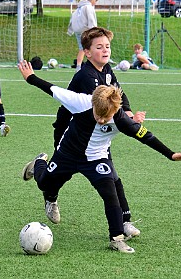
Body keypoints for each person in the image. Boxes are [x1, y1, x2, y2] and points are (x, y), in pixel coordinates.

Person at [17, 60, 181, 253]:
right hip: (67, 154)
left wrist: (171, 154)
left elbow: (147, 137)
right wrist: (30, 78)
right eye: (98, 115)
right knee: (44, 184)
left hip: (96, 159)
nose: (101, 120)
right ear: (93, 102)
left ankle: (116, 238)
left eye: (105, 117)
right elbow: (52, 89)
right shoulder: (81, 101)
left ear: (115, 110)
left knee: (110, 193)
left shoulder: (122, 120)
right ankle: (39, 163)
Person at [53, 26, 145, 238]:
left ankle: (124, 222)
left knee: (112, 178)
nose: (105, 50)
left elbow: (119, 94)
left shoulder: (106, 71)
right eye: (99, 47)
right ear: (87, 52)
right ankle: (51, 196)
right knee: (58, 177)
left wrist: (128, 112)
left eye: (107, 46)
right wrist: (128, 119)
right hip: (70, 136)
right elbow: (106, 109)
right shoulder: (87, 77)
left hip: (95, 138)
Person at [67, 0, 99, 72]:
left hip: (77, 30)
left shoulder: (78, 8)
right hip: (85, 30)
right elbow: (91, 19)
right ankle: (93, 65)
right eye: (96, 1)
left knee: (82, 48)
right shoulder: (89, 7)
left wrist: (70, 30)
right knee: (91, 47)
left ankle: (78, 66)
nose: (95, 3)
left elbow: (72, 19)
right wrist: (94, 30)